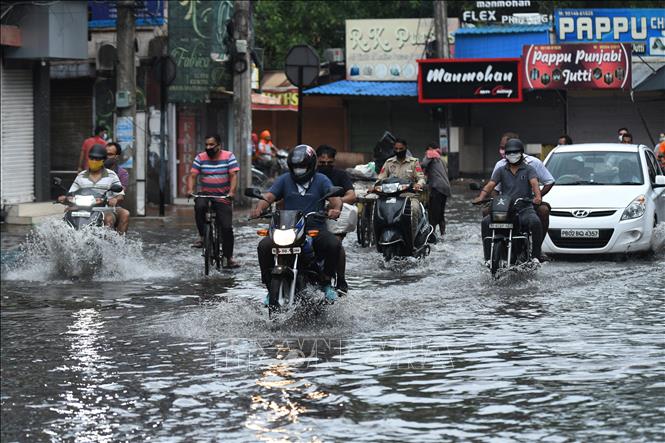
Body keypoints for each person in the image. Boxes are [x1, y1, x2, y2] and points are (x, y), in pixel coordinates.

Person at [250, 144, 342, 303]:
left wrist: (335, 209)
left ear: (311, 165)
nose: (299, 170)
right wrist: (259, 208)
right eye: (295, 167)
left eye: (302, 167)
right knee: (264, 246)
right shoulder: (284, 179)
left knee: (334, 244)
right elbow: (269, 197)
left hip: (314, 228)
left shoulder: (321, 180)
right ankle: (269, 286)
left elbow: (335, 199)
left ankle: (326, 282)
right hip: (287, 228)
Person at [473, 139, 543, 263]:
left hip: (524, 208)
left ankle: (535, 257)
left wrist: (537, 197)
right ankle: (488, 258)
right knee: (485, 222)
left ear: (521, 153)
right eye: (509, 153)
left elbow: (534, 184)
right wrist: (481, 197)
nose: (512, 155)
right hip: (506, 210)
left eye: (515, 152)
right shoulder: (501, 170)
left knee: (535, 222)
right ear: (506, 155)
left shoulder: (529, 169)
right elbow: (491, 184)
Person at [490, 132, 555, 251]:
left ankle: (537, 249)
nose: (503, 151)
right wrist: (495, 202)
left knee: (543, 211)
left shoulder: (533, 163)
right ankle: (494, 247)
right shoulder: (500, 165)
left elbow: (549, 181)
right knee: (486, 213)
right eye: (502, 148)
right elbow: (494, 188)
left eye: (505, 148)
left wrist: (536, 197)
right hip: (506, 205)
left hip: (527, 203)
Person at [186, 134, 240, 268]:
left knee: (227, 228)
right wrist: (189, 189)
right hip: (206, 194)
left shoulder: (228, 156)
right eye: (206, 145)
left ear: (219, 145)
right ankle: (203, 237)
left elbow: (233, 175)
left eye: (211, 145)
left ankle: (229, 257)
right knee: (199, 207)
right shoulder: (200, 157)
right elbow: (193, 175)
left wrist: (231, 192)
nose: (208, 147)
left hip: (222, 196)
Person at [316, 144, 357, 295]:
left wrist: (335, 203)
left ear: (334, 161)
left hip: (335, 217)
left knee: (336, 243)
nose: (325, 166)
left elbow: (352, 196)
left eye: (329, 163)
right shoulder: (310, 175)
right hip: (313, 217)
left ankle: (340, 279)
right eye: (322, 163)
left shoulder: (340, 175)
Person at [59, 144, 124, 228]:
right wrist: (65, 198)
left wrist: (115, 199)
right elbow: (71, 193)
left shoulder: (112, 175)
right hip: (81, 208)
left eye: (97, 159)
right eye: (92, 158)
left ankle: (109, 241)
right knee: (65, 217)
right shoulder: (81, 175)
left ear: (103, 160)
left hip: (103, 209)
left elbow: (120, 195)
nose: (94, 161)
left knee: (109, 219)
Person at [421, 142, 451, 237]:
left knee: (432, 213)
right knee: (440, 214)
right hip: (445, 188)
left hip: (437, 187)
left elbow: (423, 165)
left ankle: (431, 235)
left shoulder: (431, 155)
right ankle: (443, 234)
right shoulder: (440, 158)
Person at [104, 142, 130, 234]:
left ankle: (119, 244)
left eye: (110, 154)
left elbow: (121, 193)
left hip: (110, 207)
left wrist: (115, 199)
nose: (106, 156)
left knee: (125, 214)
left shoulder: (122, 173)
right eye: (105, 154)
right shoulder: (94, 169)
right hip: (92, 204)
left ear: (116, 156)